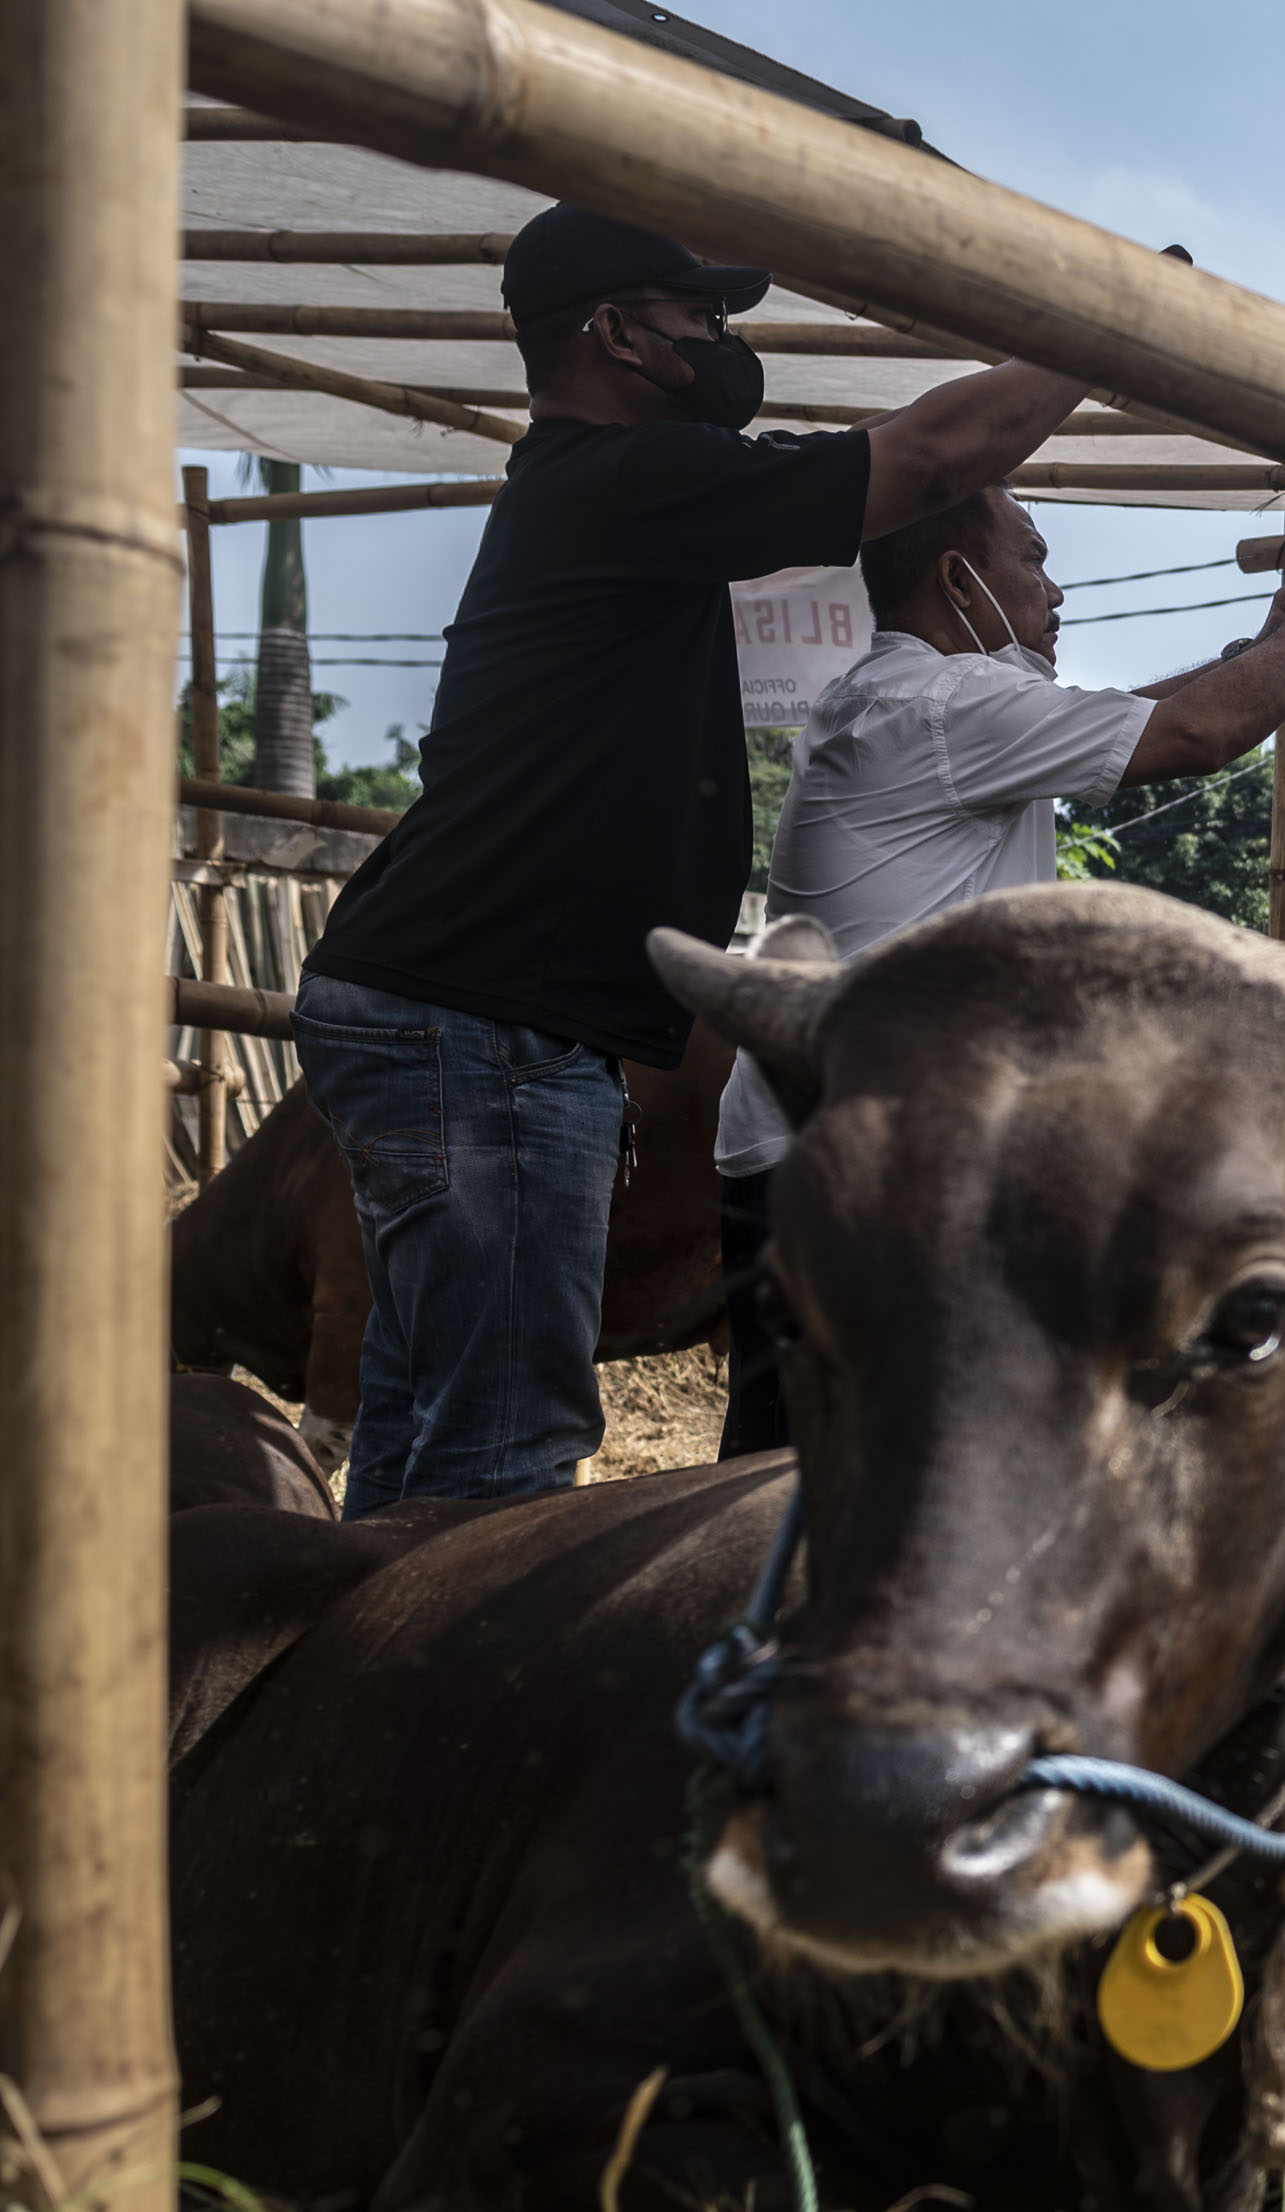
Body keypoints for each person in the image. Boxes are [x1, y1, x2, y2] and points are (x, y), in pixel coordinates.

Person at [289, 203, 1093, 1514]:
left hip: (458, 1008)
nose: (725, 341)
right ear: (615, 334)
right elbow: (938, 455)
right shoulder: (624, 479)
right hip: (485, 1022)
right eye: (701, 318)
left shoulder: (604, 493)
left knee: (433, 1430)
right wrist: (1109, 328)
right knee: (502, 1456)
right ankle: (458, 1646)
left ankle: (369, 1631)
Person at [707, 490, 1285, 1454]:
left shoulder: (905, 698)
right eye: (1032, 559)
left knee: (796, 1467)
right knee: (852, 1481)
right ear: (960, 580)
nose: (1056, 591)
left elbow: (1148, 715)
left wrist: (1274, 636)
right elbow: (1196, 733)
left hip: (819, 1153)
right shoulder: (946, 702)